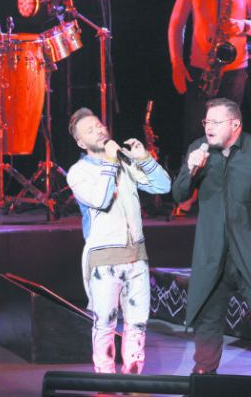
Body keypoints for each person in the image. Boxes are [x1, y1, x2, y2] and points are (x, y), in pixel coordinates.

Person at [172, 98, 251, 377]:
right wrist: (190, 170)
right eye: (206, 121)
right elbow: (179, 196)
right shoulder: (199, 150)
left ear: (235, 124)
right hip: (213, 253)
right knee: (207, 316)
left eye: (216, 122)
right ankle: (204, 373)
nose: (209, 127)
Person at [168, 0, 251, 215]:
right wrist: (177, 63)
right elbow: (176, 24)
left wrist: (242, 25)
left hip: (234, 70)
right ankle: (190, 193)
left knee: (229, 135)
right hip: (201, 68)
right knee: (196, 133)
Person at [66, 108, 171, 374]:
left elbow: (163, 186)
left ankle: (133, 381)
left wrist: (144, 158)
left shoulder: (124, 162)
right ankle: (105, 383)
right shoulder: (78, 172)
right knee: (105, 324)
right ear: (80, 142)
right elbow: (101, 200)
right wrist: (111, 162)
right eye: (90, 130)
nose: (99, 130)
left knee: (137, 325)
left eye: (99, 125)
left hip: (137, 256)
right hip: (104, 260)